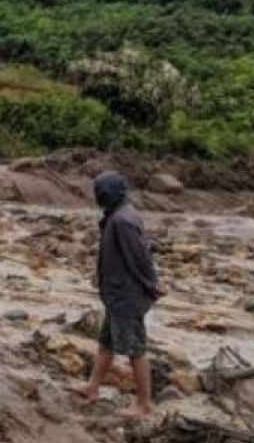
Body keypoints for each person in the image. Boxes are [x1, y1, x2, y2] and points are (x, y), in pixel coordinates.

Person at [78, 169, 165, 417]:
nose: (99, 197)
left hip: (126, 297)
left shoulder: (122, 221)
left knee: (135, 350)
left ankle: (145, 404)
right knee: (106, 344)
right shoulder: (117, 215)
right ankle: (92, 388)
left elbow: (139, 259)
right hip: (116, 294)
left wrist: (152, 285)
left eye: (101, 193)